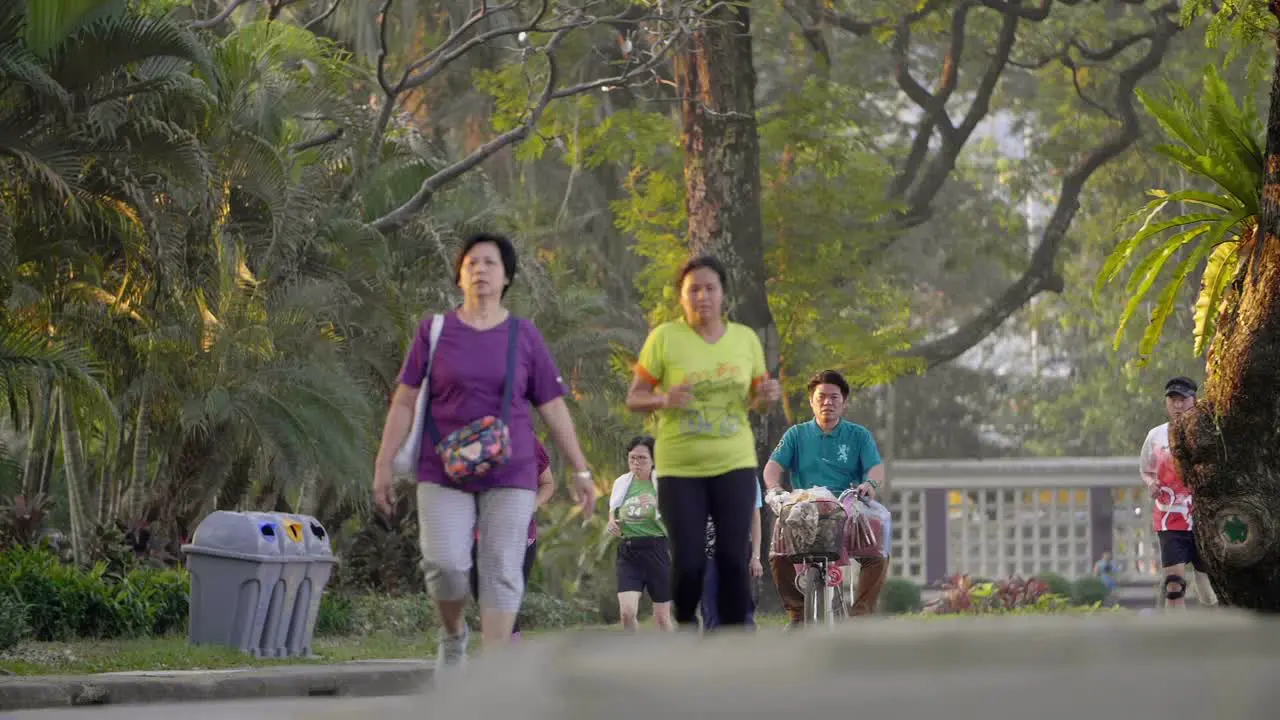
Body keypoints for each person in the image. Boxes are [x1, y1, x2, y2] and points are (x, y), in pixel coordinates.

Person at [372, 232, 597, 675]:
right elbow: (403, 400)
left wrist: (581, 469)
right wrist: (383, 462)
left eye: (490, 263)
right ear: (459, 275)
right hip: (442, 469)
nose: (480, 269)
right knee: (446, 565)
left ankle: (494, 676)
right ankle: (453, 634)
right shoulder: (434, 332)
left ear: (507, 276)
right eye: (471, 262)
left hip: (511, 471)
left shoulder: (524, 335)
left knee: (501, 568)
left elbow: (552, 406)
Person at [625, 254, 782, 630]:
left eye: (710, 288)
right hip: (682, 466)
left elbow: (757, 398)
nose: (702, 297)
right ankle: (685, 620)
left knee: (733, 554)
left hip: (735, 460)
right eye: (693, 290)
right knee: (690, 558)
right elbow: (635, 397)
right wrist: (664, 399)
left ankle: (729, 638)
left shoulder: (744, 339)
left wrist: (768, 395)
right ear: (681, 297)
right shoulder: (665, 338)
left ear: (723, 294)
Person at [763, 369, 887, 627]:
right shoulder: (796, 435)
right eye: (821, 397)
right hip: (802, 511)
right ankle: (797, 613)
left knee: (878, 549)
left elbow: (875, 466)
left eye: (834, 397)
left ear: (844, 402)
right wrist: (774, 488)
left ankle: (861, 614)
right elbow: (773, 467)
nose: (827, 403)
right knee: (777, 551)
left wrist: (869, 483)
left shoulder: (859, 435)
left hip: (846, 509)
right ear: (811, 401)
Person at [1139, 376, 1217, 610]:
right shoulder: (1156, 436)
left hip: (1204, 518)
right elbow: (1146, 470)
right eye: (1172, 400)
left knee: (1209, 588)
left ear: (1195, 400)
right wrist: (1150, 483)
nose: (1177, 405)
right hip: (1170, 518)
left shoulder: (1210, 433)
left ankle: (1216, 632)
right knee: (1174, 584)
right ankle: (1177, 637)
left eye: (1183, 399)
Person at [469, 438, 554, 640]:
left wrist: (533, 504)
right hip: (479, 536)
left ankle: (508, 655)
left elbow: (547, 483)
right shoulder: (468, 438)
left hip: (520, 536)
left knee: (508, 601)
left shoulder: (529, 442)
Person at [606, 435, 674, 632]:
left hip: (657, 550)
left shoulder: (663, 484)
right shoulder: (621, 484)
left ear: (653, 460)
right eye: (632, 458)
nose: (636, 463)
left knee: (662, 618)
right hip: (629, 552)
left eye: (642, 458)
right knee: (627, 613)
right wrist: (612, 522)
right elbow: (613, 511)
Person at [699, 481, 765, 630]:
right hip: (707, 553)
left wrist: (756, 557)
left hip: (739, 552)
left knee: (743, 607)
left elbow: (755, 519)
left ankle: (746, 648)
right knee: (710, 607)